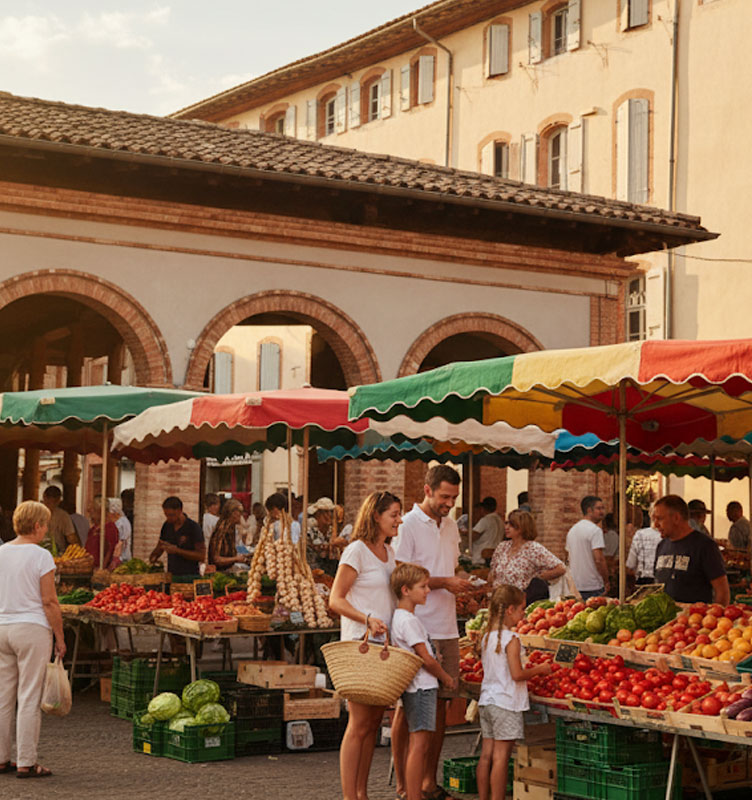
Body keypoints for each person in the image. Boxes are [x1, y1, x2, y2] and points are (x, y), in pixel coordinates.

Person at [392, 465, 473, 800]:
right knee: (406, 706)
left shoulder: (452, 525)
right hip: (416, 625)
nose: (449, 503)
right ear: (427, 490)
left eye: (453, 498)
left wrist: (461, 586)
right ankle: (403, 783)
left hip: (447, 624)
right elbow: (401, 574)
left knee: (441, 706)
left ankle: (428, 780)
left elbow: (448, 567)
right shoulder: (408, 525)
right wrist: (443, 583)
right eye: (444, 497)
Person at [328, 491, 401, 800]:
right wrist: (367, 618)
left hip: (383, 648)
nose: (399, 520)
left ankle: (362, 793)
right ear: (376, 516)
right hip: (361, 646)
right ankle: (350, 795)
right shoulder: (356, 551)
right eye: (394, 515)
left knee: (372, 723)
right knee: (358, 724)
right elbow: (335, 599)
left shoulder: (389, 552)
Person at [0, 500, 65, 778]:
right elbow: (49, 601)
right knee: (28, 696)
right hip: (31, 629)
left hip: (2, 627)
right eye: (46, 524)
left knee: (3, 696)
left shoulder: (1, 552)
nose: (46, 530)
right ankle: (26, 761)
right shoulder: (40, 556)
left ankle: (1, 758)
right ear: (37, 525)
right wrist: (59, 637)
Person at [476, 584, 551, 800]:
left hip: (487, 700)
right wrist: (540, 669)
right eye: (521, 609)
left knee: (486, 756)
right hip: (506, 703)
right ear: (510, 610)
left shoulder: (487, 636)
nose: (523, 614)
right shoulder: (512, 639)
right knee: (502, 757)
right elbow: (517, 674)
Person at [390, 563, 456, 800]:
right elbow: (425, 658)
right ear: (406, 590)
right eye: (423, 586)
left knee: (419, 743)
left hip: (416, 687)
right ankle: (414, 795)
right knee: (420, 745)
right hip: (422, 687)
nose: (428, 591)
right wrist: (445, 677)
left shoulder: (401, 618)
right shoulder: (408, 621)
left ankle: (411, 791)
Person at [652, 495, 730, 605]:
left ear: (676, 518)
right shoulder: (661, 546)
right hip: (666, 621)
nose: (655, 525)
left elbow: (722, 591)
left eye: (659, 519)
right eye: (654, 519)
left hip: (693, 619)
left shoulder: (705, 546)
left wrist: (715, 617)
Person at [489, 510, 565, 605]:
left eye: (512, 525)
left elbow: (560, 568)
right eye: (506, 523)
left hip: (519, 602)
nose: (507, 527)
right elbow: (492, 573)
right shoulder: (502, 547)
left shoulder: (533, 548)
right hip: (499, 600)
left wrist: (537, 578)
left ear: (522, 527)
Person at [565, 496, 609, 600]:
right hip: (593, 585)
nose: (602, 512)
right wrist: (606, 580)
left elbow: (567, 556)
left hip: (575, 585)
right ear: (589, 510)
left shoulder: (572, 530)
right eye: (599, 508)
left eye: (603, 508)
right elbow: (599, 559)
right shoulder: (595, 530)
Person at [149, 496, 205, 576]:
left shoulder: (193, 527)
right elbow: (160, 546)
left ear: (180, 510)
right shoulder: (167, 525)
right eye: (166, 515)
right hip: (172, 574)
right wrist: (154, 556)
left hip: (189, 575)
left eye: (172, 515)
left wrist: (177, 551)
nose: (169, 518)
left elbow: (201, 556)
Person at [207, 499, 250, 572]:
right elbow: (216, 559)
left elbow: (238, 547)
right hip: (219, 572)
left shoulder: (232, 529)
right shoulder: (222, 529)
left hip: (228, 570)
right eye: (239, 513)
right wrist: (236, 559)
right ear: (233, 513)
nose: (240, 516)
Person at [41, 485, 78, 555]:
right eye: (48, 502)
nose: (50, 505)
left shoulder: (63, 516)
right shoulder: (36, 513)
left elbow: (71, 538)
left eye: (53, 502)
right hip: (40, 551)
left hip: (57, 553)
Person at [83, 497, 118, 569]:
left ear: (100, 511)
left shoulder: (109, 528)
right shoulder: (93, 529)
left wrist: (101, 568)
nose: (89, 511)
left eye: (92, 509)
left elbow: (110, 550)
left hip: (100, 569)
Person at [625, 517, 662, 585]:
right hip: (665, 580)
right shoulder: (672, 535)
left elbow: (631, 564)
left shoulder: (640, 535)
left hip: (644, 580)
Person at [471, 497, 504, 564]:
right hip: (495, 557)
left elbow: (473, 536)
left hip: (481, 558)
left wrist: (464, 533)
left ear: (482, 509)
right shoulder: (500, 521)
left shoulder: (485, 520)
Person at [108, 498, 132, 564]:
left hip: (122, 558)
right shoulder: (113, 522)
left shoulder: (123, 523)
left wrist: (115, 559)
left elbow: (121, 543)